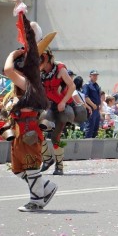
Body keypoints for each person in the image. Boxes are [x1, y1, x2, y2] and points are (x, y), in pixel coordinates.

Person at [1, 0, 57, 212]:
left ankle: (37, 199)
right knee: (18, 167)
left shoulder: (29, 79)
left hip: (27, 125)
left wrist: (13, 56)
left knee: (29, 164)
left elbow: (7, 69)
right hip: (20, 123)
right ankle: (46, 187)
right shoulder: (28, 82)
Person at [39, 47, 77, 175]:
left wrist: (63, 101)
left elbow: (72, 86)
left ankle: (59, 166)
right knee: (37, 128)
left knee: (55, 136)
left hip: (64, 106)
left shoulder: (60, 69)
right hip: (51, 106)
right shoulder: (41, 73)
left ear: (48, 59)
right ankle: (47, 159)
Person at [83, 70, 102, 139]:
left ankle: (93, 144)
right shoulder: (87, 85)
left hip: (96, 108)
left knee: (96, 127)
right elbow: (85, 97)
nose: (95, 77)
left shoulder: (97, 86)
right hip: (90, 107)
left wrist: (99, 106)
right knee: (90, 126)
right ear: (90, 76)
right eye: (94, 75)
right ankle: (87, 143)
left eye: (96, 75)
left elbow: (99, 97)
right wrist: (93, 104)